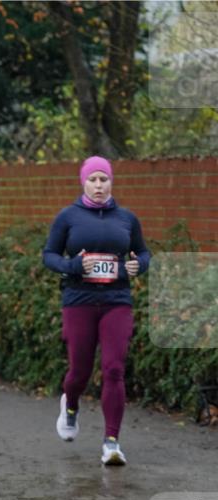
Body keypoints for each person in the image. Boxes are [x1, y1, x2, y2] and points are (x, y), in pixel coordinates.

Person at [42, 156, 150, 465]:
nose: (99, 185)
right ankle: (71, 404)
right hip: (79, 300)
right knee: (80, 370)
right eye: (93, 179)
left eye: (104, 179)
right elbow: (49, 255)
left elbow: (143, 252)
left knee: (114, 368)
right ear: (84, 182)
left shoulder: (127, 218)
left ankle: (111, 443)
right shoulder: (68, 217)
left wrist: (139, 265)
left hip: (117, 300)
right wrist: (73, 265)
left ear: (111, 182)